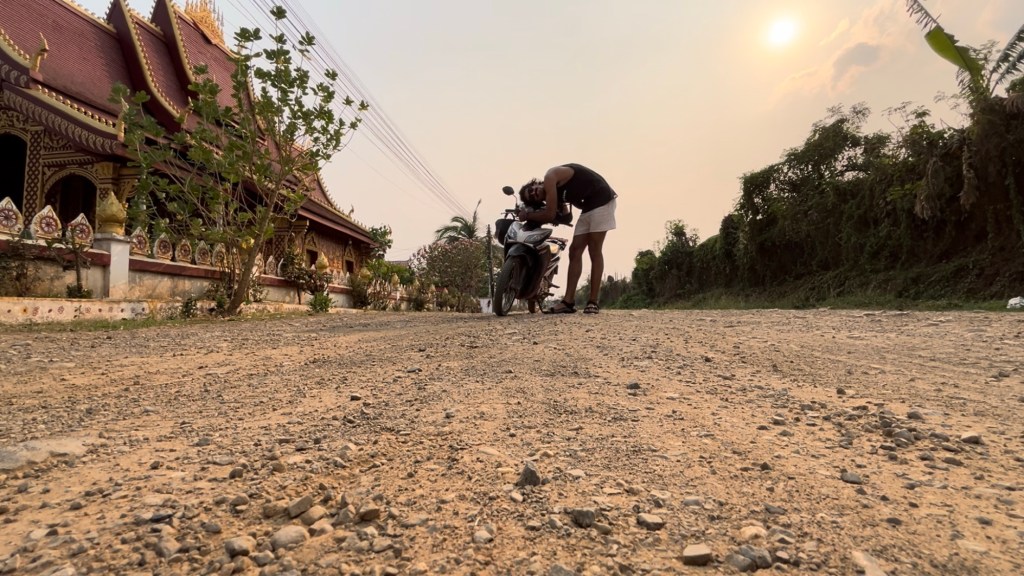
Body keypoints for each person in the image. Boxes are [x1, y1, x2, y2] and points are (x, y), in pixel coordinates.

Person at [517, 163, 617, 315]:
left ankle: (593, 302)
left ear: (535, 183)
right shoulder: (554, 194)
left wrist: (528, 215)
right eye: (531, 197)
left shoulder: (550, 177)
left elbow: (550, 214)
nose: (533, 193)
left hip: (602, 199)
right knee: (575, 251)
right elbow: (566, 216)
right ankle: (568, 302)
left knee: (594, 249)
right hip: (589, 206)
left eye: (531, 189)